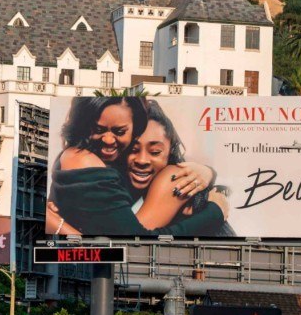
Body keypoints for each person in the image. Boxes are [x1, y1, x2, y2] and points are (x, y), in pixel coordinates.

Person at [48, 96, 227, 237]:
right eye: (134, 149)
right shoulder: (90, 163)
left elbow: (134, 241)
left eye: (155, 151)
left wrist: (209, 175)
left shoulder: (175, 178)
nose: (142, 160)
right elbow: (134, 239)